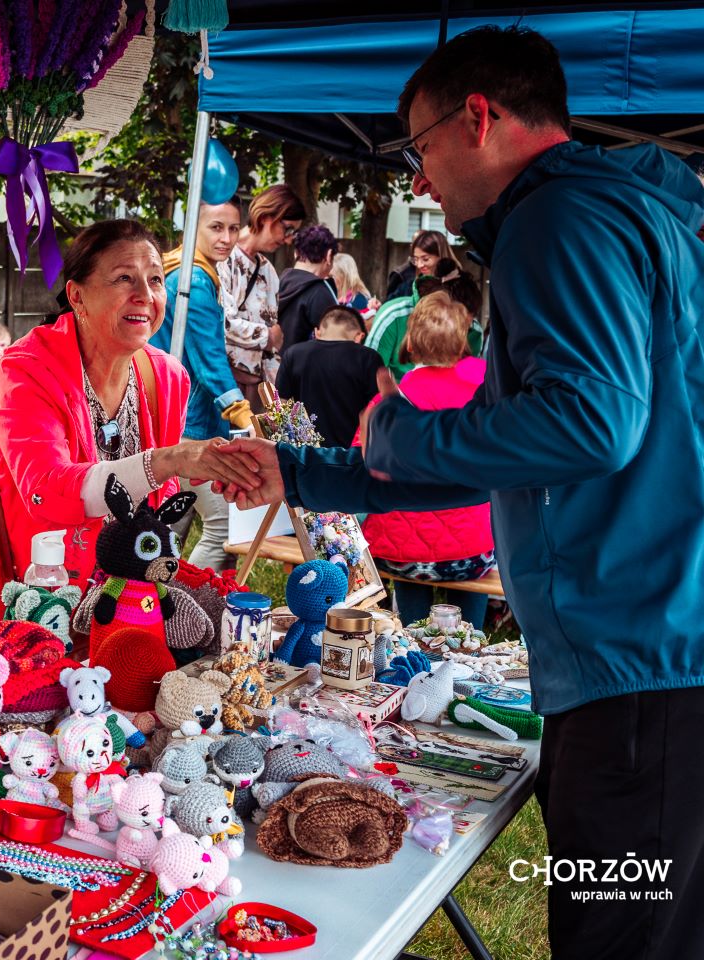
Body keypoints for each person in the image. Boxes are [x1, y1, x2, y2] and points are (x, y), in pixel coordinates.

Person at [215, 25, 704, 960]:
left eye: (420, 147)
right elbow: (516, 449)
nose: (421, 180)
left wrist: (397, 427)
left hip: (643, 666)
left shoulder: (559, 221)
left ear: (479, 117)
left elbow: (592, 426)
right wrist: (305, 472)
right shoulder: (614, 217)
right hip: (649, 654)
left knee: (624, 930)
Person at [0, 219, 261, 623]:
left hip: (111, 601)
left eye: (155, 280)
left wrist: (219, 471)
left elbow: (154, 494)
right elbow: (47, 489)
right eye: (124, 278)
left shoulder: (167, 377)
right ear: (77, 295)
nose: (145, 295)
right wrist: (170, 460)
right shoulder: (28, 368)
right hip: (10, 592)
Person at [356, 291, 494, 627]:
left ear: (411, 344)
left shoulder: (393, 399)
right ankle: (471, 642)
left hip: (401, 554)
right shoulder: (486, 394)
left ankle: (412, 645)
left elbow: (360, 462)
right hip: (472, 553)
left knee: (412, 626)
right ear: (462, 341)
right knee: (469, 628)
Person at [149, 200, 254, 571]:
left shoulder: (187, 272)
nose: (226, 238)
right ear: (193, 227)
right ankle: (188, 598)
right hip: (190, 424)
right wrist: (244, 416)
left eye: (233, 228)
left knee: (166, 530)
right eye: (216, 227)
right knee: (224, 528)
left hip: (173, 416)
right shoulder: (192, 279)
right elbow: (210, 363)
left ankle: (156, 595)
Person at [217, 184, 305, 409]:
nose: (288, 239)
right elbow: (222, 323)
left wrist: (281, 403)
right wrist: (267, 336)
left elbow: (272, 348)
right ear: (267, 216)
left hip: (256, 390)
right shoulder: (224, 258)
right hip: (223, 388)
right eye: (288, 229)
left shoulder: (268, 271)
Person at [276, 305, 383, 448]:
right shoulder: (369, 358)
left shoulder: (293, 354)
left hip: (305, 453)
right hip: (352, 454)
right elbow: (379, 410)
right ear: (359, 336)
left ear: (317, 332)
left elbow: (280, 405)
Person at [368, 256, 483, 379]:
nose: (462, 331)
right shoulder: (392, 316)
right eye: (454, 323)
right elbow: (369, 374)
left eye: (465, 326)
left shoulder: (474, 331)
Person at [276, 225, 339, 356]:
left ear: (296, 253)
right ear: (328, 256)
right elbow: (337, 342)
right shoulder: (319, 292)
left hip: (270, 365)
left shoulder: (275, 282)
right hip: (303, 367)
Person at [383, 228, 460, 300]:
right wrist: (380, 306)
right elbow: (389, 303)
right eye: (415, 259)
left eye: (425, 259)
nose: (419, 265)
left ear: (441, 256)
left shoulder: (459, 287)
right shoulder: (410, 286)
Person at [330, 253, 379, 318]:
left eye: (331, 276)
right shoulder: (333, 294)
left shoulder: (359, 300)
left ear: (344, 276)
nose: (327, 279)